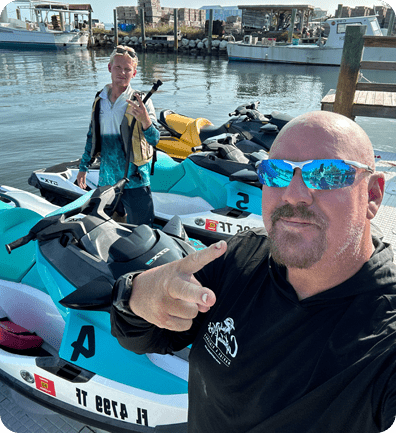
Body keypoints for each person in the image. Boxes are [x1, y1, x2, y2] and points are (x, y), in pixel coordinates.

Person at [110, 111, 396, 433]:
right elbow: (142, 336)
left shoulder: (385, 338)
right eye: (277, 173)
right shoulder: (238, 257)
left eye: (326, 174)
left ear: (372, 195)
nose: (293, 193)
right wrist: (136, 295)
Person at [77, 45, 160, 226]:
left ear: (134, 73)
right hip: (107, 179)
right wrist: (83, 167)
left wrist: (146, 120)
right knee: (105, 229)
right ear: (109, 68)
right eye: (118, 67)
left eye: (127, 69)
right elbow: (92, 136)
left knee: (143, 231)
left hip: (135, 181)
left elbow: (155, 139)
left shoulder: (141, 101)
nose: (122, 72)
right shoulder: (100, 99)